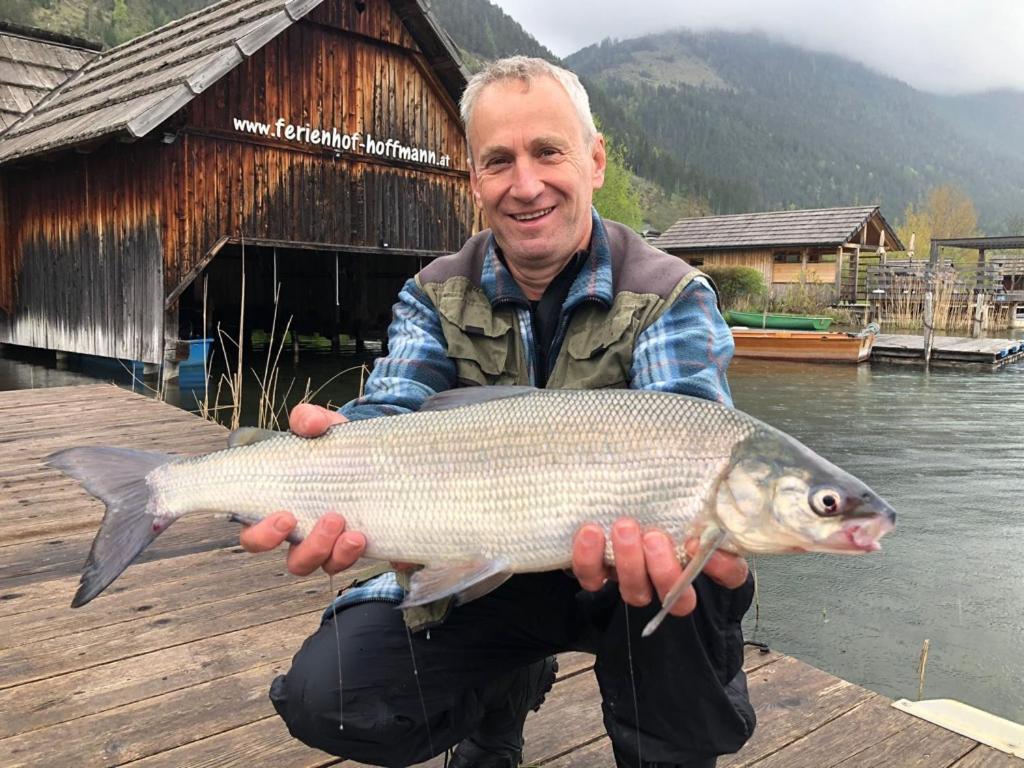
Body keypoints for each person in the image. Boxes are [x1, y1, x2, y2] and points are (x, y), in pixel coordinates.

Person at [241, 57, 755, 768]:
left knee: (689, 567)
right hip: (483, 575)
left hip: (619, 582)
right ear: (475, 180)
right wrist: (338, 440)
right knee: (326, 697)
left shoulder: (670, 293)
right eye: (499, 161)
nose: (526, 184)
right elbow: (392, 406)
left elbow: (691, 432)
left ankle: (665, 751)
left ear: (595, 160)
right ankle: (500, 699)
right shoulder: (432, 293)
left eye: (549, 152)